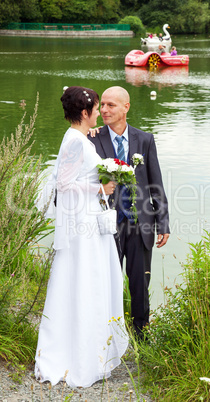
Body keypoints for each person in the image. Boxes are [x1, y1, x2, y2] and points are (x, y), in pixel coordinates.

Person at [35, 86, 128, 388]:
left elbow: (76, 165)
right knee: (85, 279)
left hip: (87, 219)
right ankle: (81, 356)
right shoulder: (75, 142)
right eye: (97, 108)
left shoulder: (77, 137)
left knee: (89, 279)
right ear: (85, 112)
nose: (100, 112)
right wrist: (101, 188)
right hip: (83, 223)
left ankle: (90, 349)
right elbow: (63, 185)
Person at [89, 86, 170, 338]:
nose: (103, 110)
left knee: (139, 284)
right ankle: (105, 336)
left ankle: (141, 338)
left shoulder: (144, 140)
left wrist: (163, 223)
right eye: (102, 105)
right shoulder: (92, 138)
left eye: (110, 105)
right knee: (105, 282)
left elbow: (155, 183)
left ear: (126, 107)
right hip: (107, 225)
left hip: (141, 224)